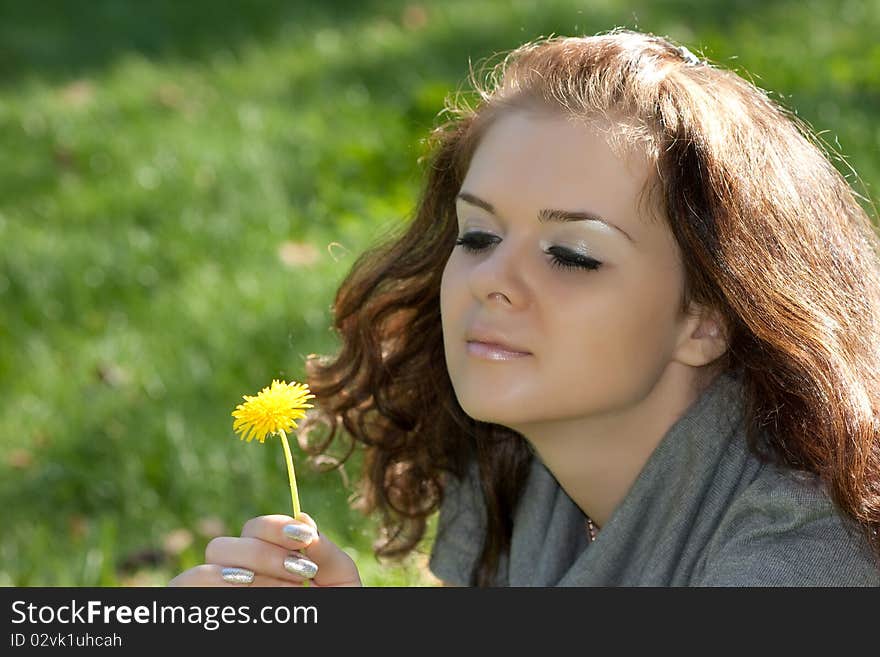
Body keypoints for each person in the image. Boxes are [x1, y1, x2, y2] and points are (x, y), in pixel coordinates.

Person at [170, 28, 880, 587]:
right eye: (477, 235)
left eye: (571, 253)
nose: (489, 280)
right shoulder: (517, 462)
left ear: (709, 316)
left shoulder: (807, 554)